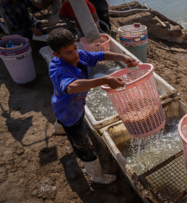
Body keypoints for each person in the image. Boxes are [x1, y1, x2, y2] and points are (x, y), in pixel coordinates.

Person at [47, 28, 137, 184]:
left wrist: (123, 56)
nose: (75, 54)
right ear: (57, 55)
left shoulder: (79, 56)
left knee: (64, 118)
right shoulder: (59, 70)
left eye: (75, 48)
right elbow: (72, 87)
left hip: (67, 104)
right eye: (68, 52)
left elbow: (100, 55)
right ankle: (96, 176)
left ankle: (60, 128)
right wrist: (105, 80)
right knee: (84, 146)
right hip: (71, 112)